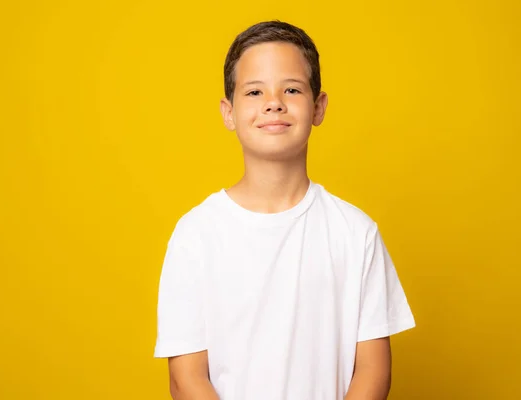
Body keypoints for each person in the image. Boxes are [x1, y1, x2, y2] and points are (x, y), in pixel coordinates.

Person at [153, 20, 415, 400]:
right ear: (228, 113)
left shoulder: (356, 233)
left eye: (291, 89)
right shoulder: (196, 235)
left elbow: (373, 371)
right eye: (255, 91)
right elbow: (186, 379)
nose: (273, 102)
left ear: (318, 107)